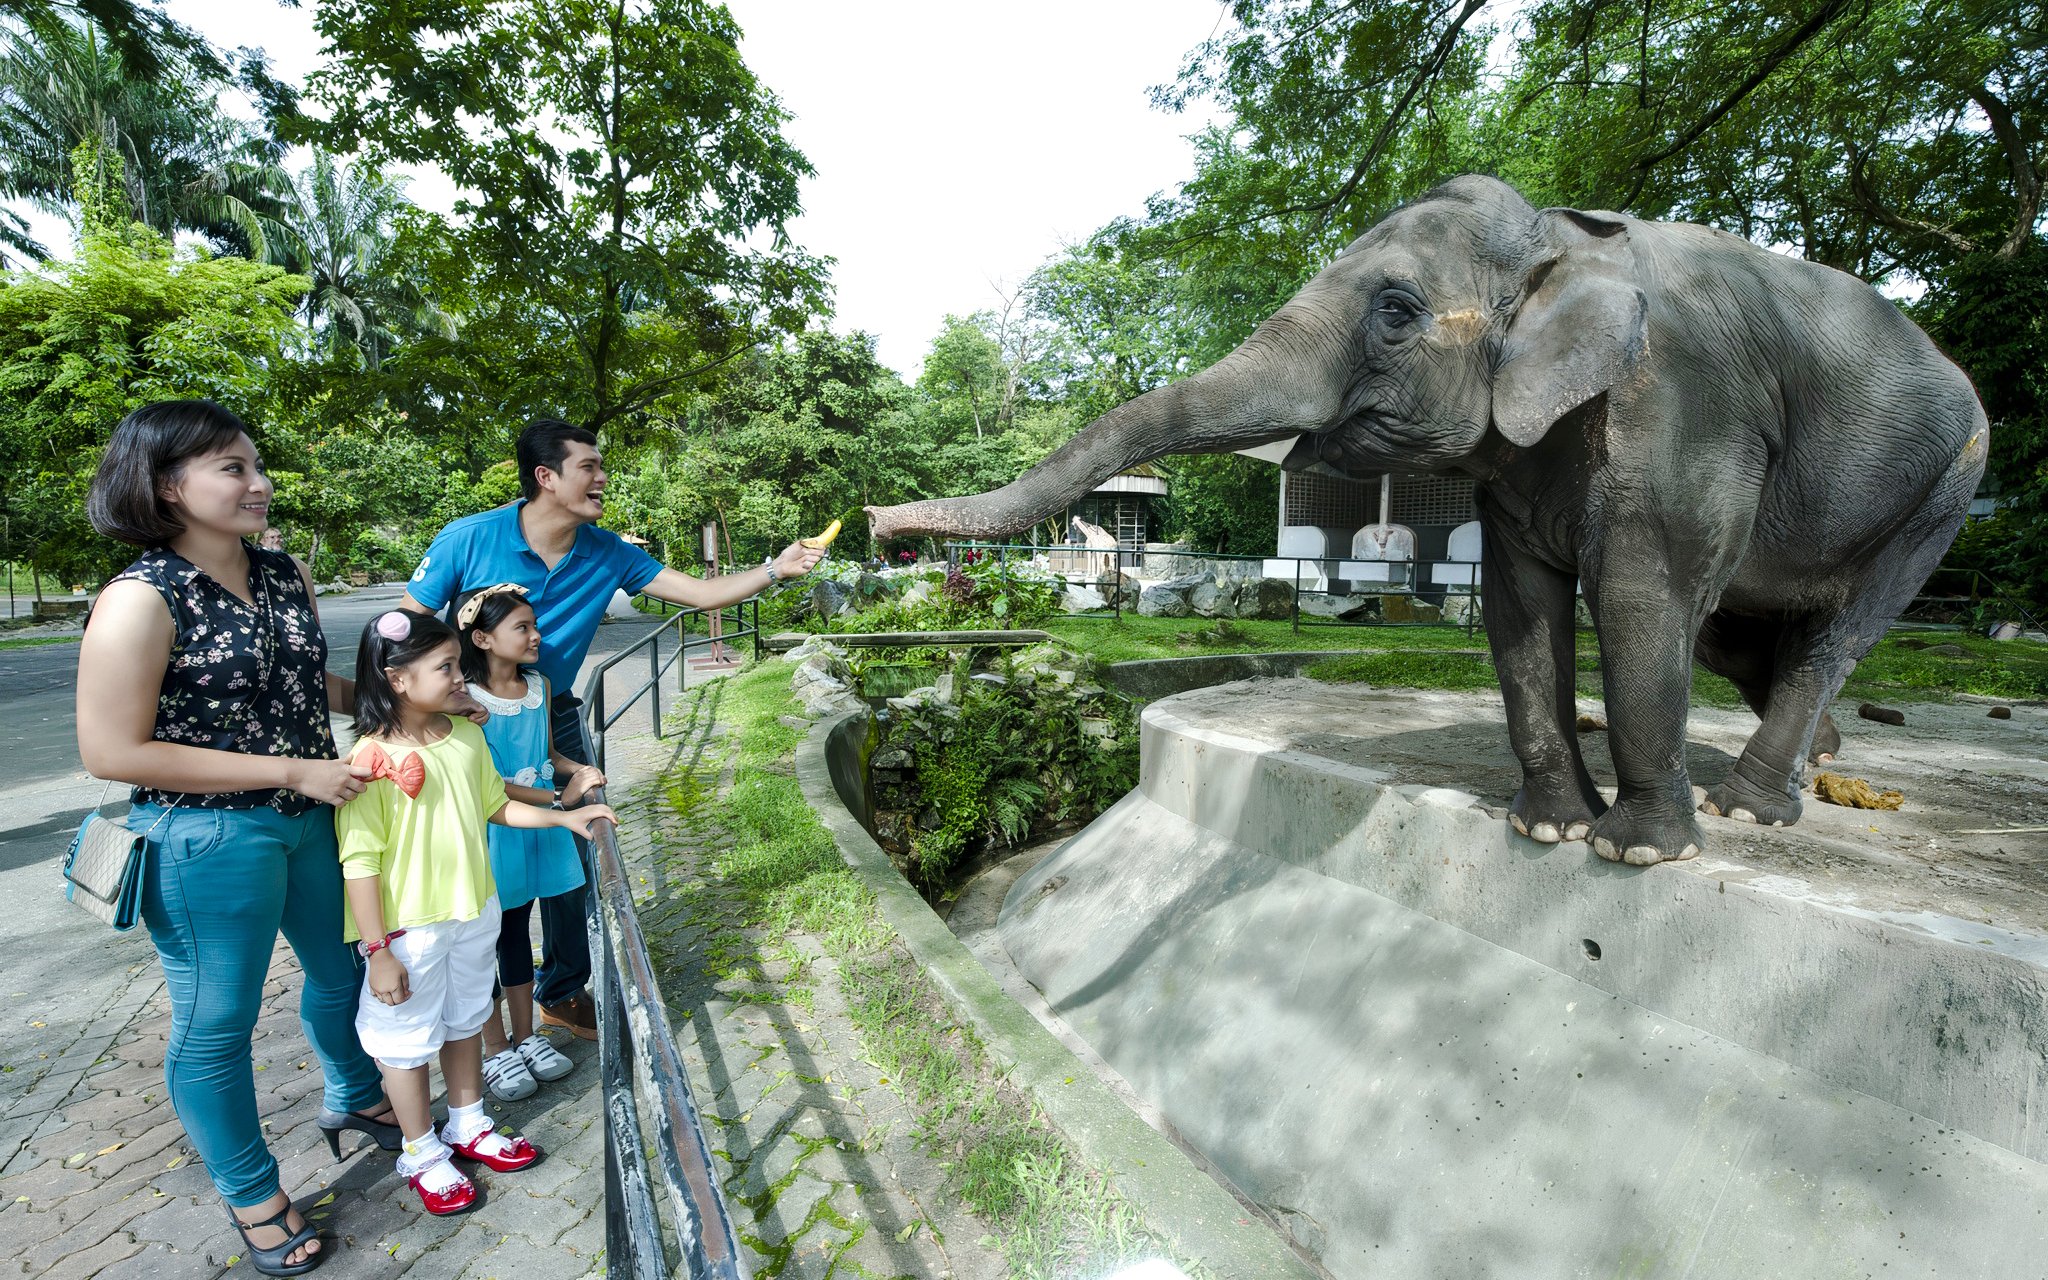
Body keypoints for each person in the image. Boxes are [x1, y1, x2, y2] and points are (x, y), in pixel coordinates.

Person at [76, 400, 396, 1277]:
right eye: (231, 468)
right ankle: (254, 1194)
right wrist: (291, 771)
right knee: (218, 1023)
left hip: (313, 824)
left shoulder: (283, 572)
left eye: (255, 464)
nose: (257, 484)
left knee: (344, 974)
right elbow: (111, 750)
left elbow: (297, 680)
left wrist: (393, 706)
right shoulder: (139, 599)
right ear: (166, 483)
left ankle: (358, 1096)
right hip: (205, 843)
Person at [402, 418, 824, 1039]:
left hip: (554, 716)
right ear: (546, 477)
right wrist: (432, 707)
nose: (602, 478)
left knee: (579, 851)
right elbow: (402, 626)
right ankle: (480, 1013)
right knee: (478, 861)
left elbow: (701, 595)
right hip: (467, 724)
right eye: (589, 467)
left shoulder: (607, 551)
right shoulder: (470, 538)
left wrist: (775, 569)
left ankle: (562, 989)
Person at [334, 608, 615, 1216]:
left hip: (473, 911)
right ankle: (420, 1150)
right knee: (405, 1041)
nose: (461, 678)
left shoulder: (463, 736)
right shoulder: (369, 760)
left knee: (465, 1019)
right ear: (396, 679)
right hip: (409, 930)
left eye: (459, 664)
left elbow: (496, 806)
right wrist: (378, 950)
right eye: (445, 667)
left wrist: (565, 816)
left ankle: (468, 1121)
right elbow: (358, 862)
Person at [453, 583, 599, 1099]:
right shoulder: (466, 703)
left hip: (540, 826)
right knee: (494, 933)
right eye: (523, 628)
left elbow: (549, 754)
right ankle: (495, 1048)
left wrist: (578, 769)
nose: (536, 636)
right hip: (500, 830)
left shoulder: (537, 686)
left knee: (523, 928)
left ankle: (527, 1036)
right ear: (483, 638)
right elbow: (486, 786)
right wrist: (558, 802)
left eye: (534, 625)